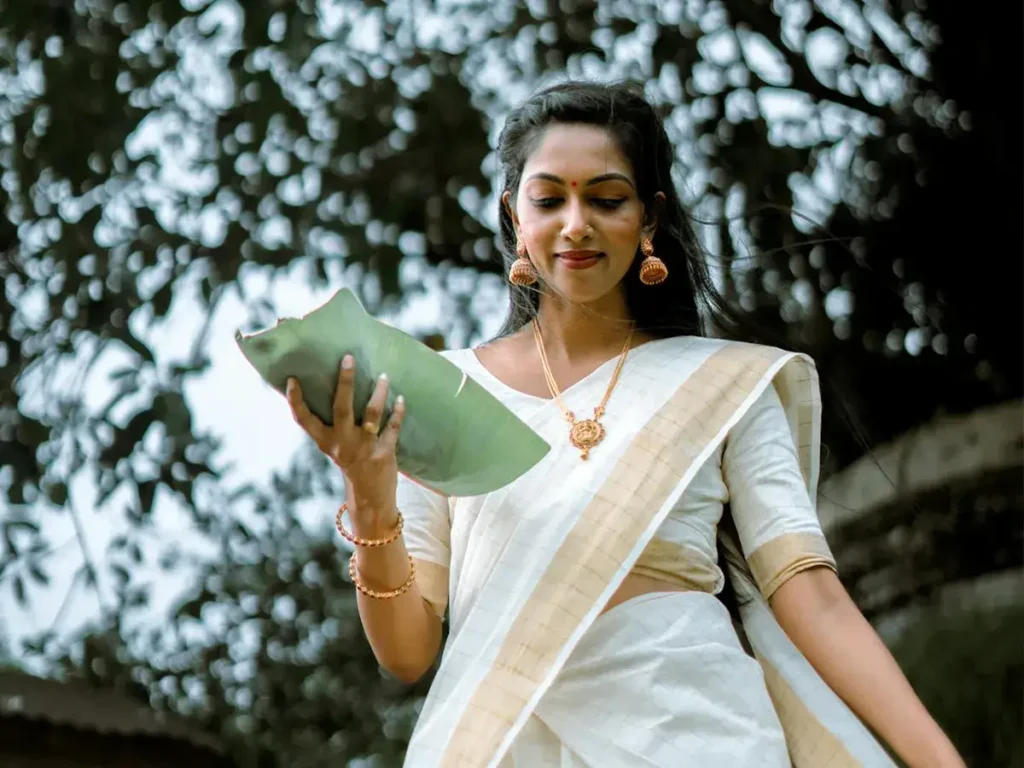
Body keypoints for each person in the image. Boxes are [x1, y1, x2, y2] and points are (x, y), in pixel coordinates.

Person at [284, 81, 965, 767]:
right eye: (549, 199)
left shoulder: (721, 387)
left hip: (703, 736)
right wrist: (370, 499)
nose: (575, 223)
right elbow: (406, 653)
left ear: (648, 218)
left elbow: (811, 598)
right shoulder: (443, 395)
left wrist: (940, 762)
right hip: (514, 744)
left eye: (606, 199)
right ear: (513, 217)